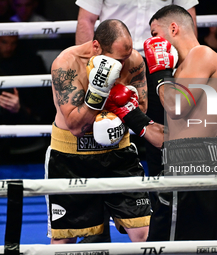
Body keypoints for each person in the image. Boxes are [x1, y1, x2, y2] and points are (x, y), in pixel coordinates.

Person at [74, 1, 199, 242]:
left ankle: (160, 215)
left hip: (160, 67)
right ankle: (96, 229)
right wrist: (91, 68)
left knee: (160, 144)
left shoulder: (199, 58)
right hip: (110, 61)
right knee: (100, 135)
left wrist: (182, 70)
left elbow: (187, 19)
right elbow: (86, 19)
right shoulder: (72, 60)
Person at [104, 5, 217, 241]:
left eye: (154, 34)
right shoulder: (182, 69)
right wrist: (127, 111)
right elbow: (172, 138)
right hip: (191, 161)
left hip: (192, 169)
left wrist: (159, 72)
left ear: (173, 28)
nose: (152, 42)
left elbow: (177, 107)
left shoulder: (201, 55)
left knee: (163, 246)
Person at [46, 19, 150, 244]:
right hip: (72, 158)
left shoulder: (133, 61)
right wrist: (99, 92)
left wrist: (119, 105)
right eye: (117, 60)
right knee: (65, 240)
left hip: (119, 154)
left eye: (126, 57)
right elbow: (75, 126)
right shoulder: (66, 63)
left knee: (142, 233)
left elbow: (142, 107)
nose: (122, 65)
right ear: (96, 47)